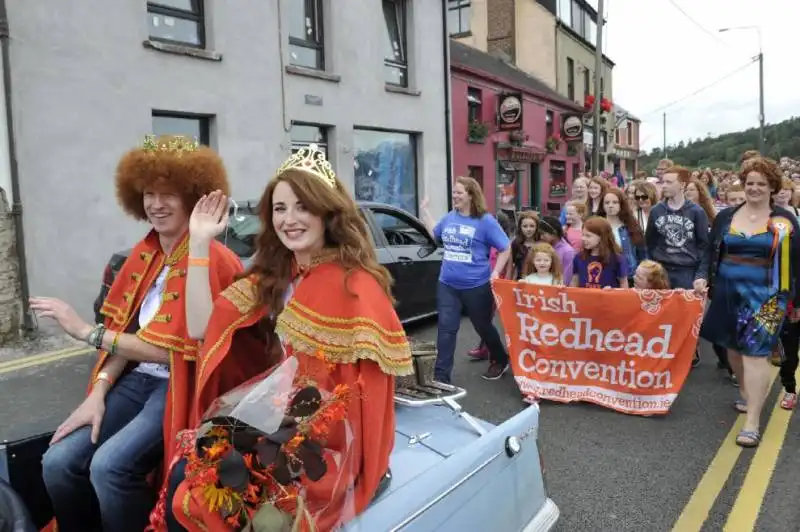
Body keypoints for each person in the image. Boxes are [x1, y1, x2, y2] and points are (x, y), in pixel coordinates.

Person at [157, 144, 414, 531]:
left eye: (302, 206)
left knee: (200, 499)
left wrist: (292, 456)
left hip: (323, 445)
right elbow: (200, 328)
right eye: (280, 208)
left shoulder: (357, 287)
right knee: (186, 475)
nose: (289, 219)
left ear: (328, 213)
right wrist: (198, 243)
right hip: (279, 424)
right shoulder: (283, 272)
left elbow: (364, 405)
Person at [31, 135, 242, 532]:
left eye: (169, 194)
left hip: (182, 384)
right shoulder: (143, 254)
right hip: (135, 379)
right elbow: (127, 329)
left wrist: (83, 331)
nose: (156, 204)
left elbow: (170, 350)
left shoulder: (214, 258)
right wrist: (99, 391)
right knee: (56, 462)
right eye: (148, 193)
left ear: (193, 197)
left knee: (110, 468)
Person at [701, 156, 800, 448]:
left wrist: (797, 300)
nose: (754, 188)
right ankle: (746, 392)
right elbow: (711, 251)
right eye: (750, 183)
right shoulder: (726, 216)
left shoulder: (785, 219)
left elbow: (797, 261)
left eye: (762, 183)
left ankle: (753, 421)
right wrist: (703, 278)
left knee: (755, 354)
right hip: (728, 291)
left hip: (768, 296)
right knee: (732, 348)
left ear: (772, 187)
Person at [421, 176, 510, 382]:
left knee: (482, 326)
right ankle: (441, 378)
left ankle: (500, 358)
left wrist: (496, 271)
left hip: (476, 286)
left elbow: (505, 247)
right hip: (447, 284)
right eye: (454, 192)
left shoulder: (485, 221)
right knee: (446, 329)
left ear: (471, 195)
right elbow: (436, 233)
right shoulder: (450, 217)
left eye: (459, 192)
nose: (455, 196)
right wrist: (425, 210)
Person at [570, 216, 629, 289]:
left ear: (602, 237)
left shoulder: (617, 259)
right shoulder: (579, 257)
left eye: (588, 236)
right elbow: (575, 281)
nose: (583, 238)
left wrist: (614, 291)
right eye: (583, 235)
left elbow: (623, 283)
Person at [537, 215, 576, 285]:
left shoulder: (567, 251)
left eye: (543, 234)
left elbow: (567, 277)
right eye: (540, 234)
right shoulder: (541, 245)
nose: (541, 237)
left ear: (554, 232)